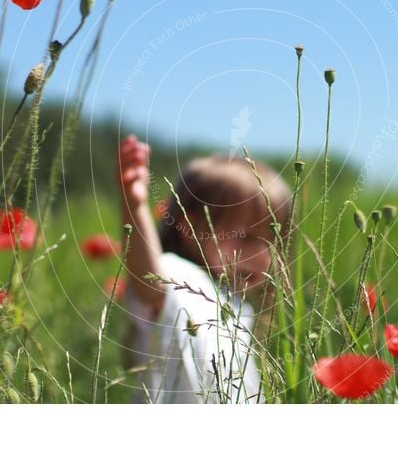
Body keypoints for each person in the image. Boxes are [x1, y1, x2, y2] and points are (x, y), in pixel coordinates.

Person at [117, 134, 291, 403]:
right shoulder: (183, 280)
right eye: (246, 237)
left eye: (273, 240)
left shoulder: (237, 306)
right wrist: (134, 204)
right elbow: (152, 283)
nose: (261, 255)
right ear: (191, 227)